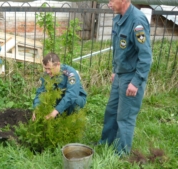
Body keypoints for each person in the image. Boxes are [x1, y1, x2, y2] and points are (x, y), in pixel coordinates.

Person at [98, 0, 152, 156]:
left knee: (125, 116)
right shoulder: (119, 18)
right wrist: (115, 70)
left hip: (132, 76)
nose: (109, 4)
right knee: (111, 111)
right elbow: (119, 49)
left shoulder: (137, 21)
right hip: (120, 74)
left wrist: (136, 82)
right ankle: (106, 142)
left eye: (111, 0)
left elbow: (146, 57)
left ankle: (121, 153)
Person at [32, 53, 87, 120]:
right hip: (58, 98)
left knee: (74, 101)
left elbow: (71, 95)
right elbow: (40, 93)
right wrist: (37, 108)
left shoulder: (70, 74)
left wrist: (55, 111)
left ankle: (70, 118)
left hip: (75, 98)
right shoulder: (45, 75)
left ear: (58, 64)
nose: (47, 71)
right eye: (45, 68)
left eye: (49, 68)